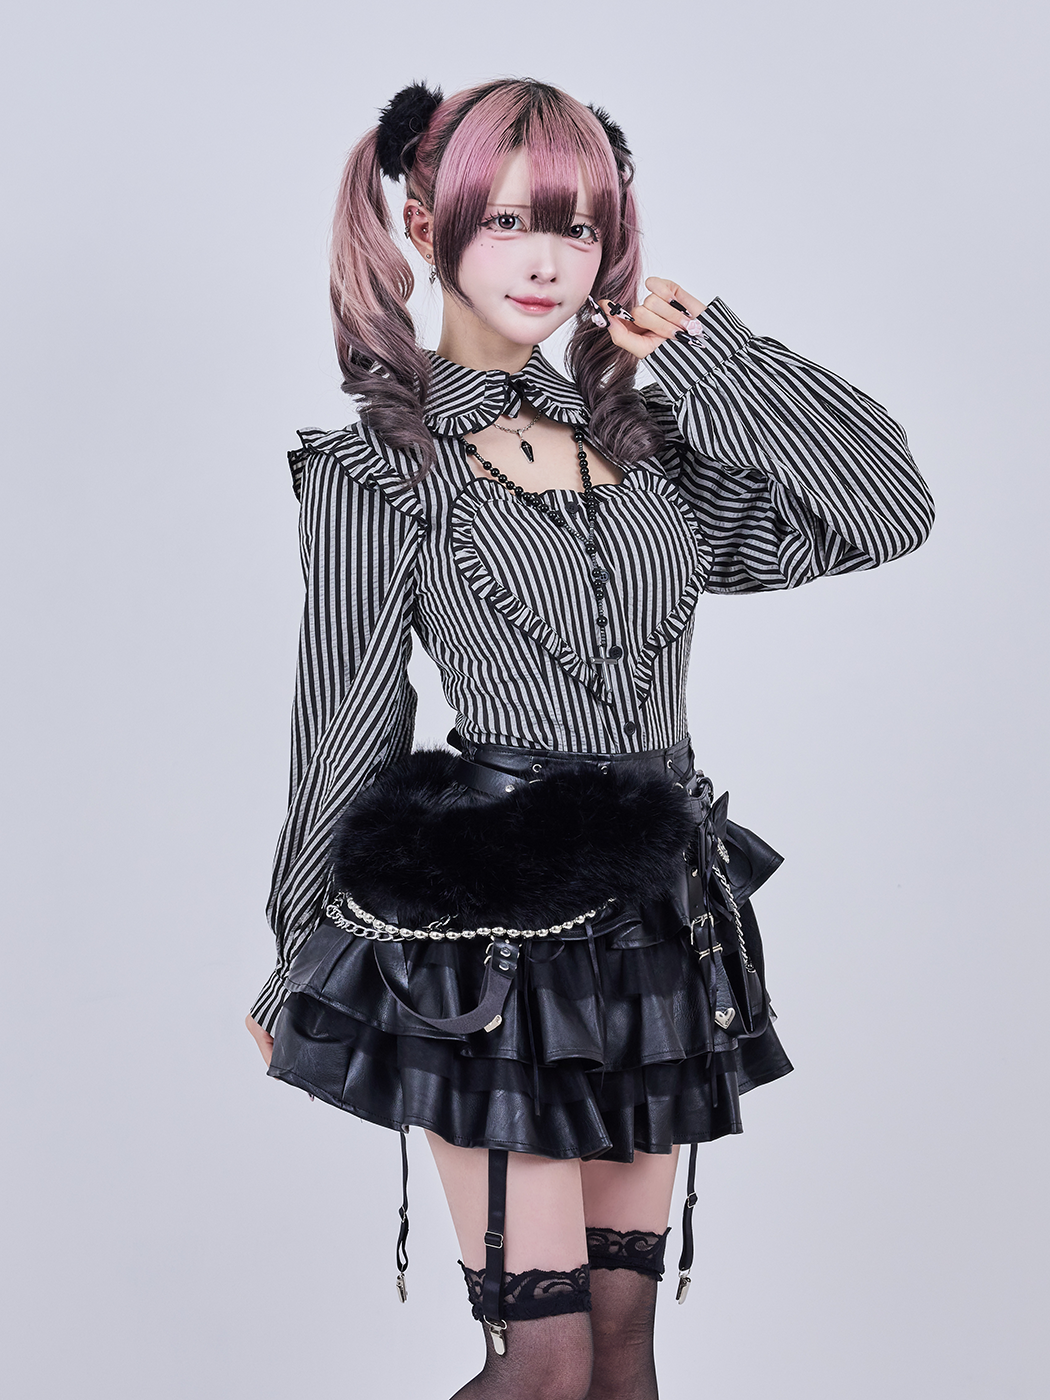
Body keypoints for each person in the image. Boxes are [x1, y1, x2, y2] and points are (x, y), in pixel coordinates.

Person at [244, 78, 934, 1400]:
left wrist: (716, 352)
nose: (547, 259)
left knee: (622, 1362)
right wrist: (296, 956)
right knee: (546, 1365)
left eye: (576, 225)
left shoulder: (649, 449)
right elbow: (345, 715)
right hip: (489, 940)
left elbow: (883, 510)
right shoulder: (379, 470)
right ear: (424, 224)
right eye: (507, 222)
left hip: (659, 915)